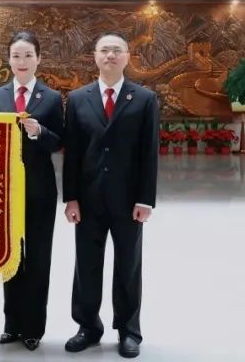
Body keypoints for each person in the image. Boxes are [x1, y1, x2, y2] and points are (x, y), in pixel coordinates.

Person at [62, 33, 160, 360]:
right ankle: (88, 327)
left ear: (127, 57)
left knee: (128, 266)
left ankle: (129, 331)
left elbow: (149, 153)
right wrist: (71, 198)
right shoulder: (78, 99)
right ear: (95, 56)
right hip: (88, 199)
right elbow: (73, 153)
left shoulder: (144, 99)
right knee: (86, 265)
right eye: (104, 50)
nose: (110, 55)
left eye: (117, 50)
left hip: (129, 201)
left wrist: (145, 199)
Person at [0, 30, 64, 352]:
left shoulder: (52, 98)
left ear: (38, 59)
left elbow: (59, 142)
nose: (22, 61)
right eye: (16, 55)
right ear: (9, 60)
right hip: (4, 191)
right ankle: (12, 324)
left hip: (40, 190)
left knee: (39, 258)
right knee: (10, 258)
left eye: (28, 55)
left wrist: (39, 131)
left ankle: (33, 328)